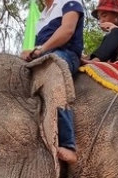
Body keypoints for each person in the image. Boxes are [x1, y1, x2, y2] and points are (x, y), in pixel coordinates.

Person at [21, 0, 85, 165]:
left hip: (65, 54)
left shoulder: (70, 3)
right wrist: (30, 53)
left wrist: (41, 50)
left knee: (53, 70)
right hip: (43, 56)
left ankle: (68, 144)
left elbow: (67, 31)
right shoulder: (42, 17)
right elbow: (38, 46)